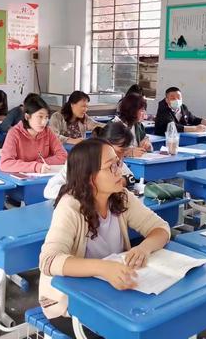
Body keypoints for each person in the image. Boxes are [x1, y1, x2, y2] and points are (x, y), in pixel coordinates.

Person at [39, 138, 170, 338]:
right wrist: (103, 268)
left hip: (112, 294)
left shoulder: (121, 196)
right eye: (112, 167)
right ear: (90, 177)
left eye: (118, 163)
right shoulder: (70, 207)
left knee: (159, 320)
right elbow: (48, 261)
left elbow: (160, 228)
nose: (121, 170)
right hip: (69, 304)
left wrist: (144, 248)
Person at [44, 122, 136, 199]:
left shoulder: (114, 162)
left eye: (124, 152)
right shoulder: (81, 159)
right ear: (106, 144)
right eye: (120, 151)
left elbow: (131, 177)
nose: (121, 158)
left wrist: (122, 181)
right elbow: (49, 190)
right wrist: (89, 190)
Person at [0, 94, 67, 173]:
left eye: (46, 117)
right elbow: (5, 163)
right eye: (40, 117)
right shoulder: (14, 133)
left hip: (43, 175)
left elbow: (63, 156)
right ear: (27, 117)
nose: (44, 122)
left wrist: (41, 164)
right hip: (22, 179)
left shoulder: (48, 131)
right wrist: (35, 166)